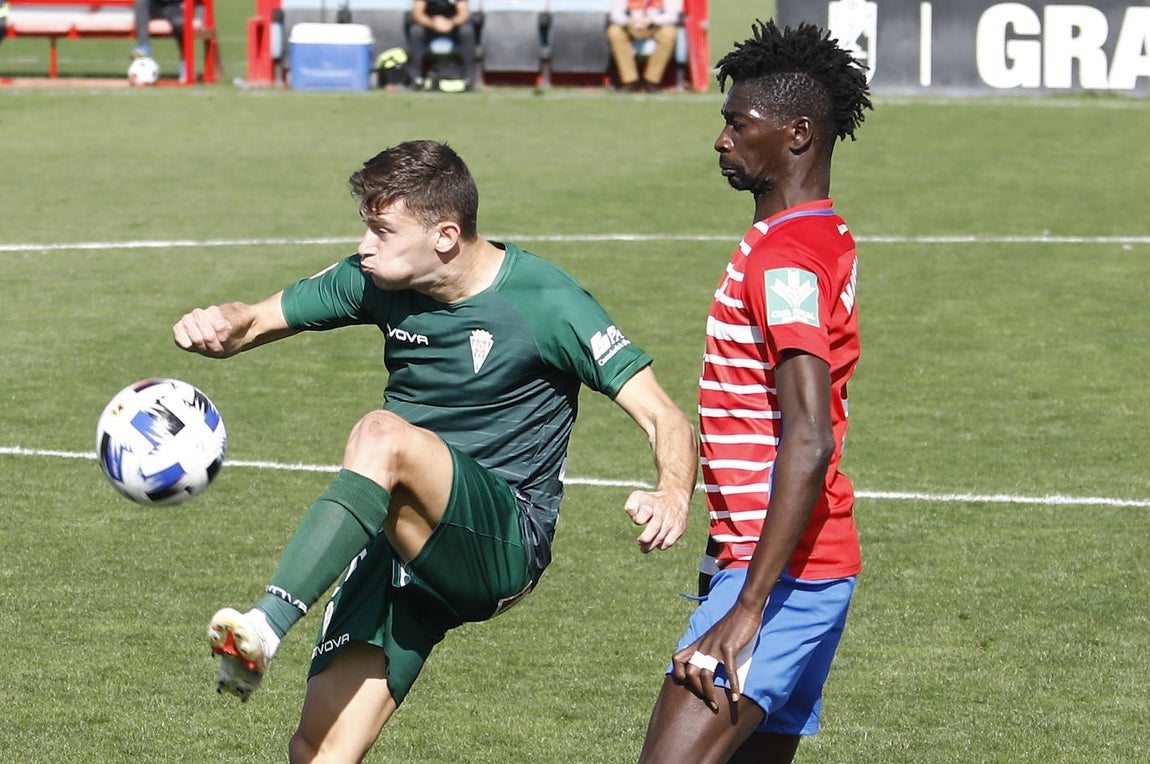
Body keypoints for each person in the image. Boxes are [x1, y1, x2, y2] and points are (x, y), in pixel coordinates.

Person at [172, 140, 697, 762]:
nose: (366, 246)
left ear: (445, 236)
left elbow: (665, 414)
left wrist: (672, 490)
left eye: (383, 231)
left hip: (500, 539)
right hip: (405, 536)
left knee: (381, 434)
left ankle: (262, 626)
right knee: (317, 747)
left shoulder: (547, 302)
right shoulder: (375, 278)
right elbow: (253, 320)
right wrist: (219, 323)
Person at [638, 20, 872, 764]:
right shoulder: (817, 234)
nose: (722, 140)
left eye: (740, 125)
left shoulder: (787, 260)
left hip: (781, 581)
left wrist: (746, 607)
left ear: (798, 133)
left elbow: (808, 434)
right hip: (791, 564)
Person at [606, 0, 681, 92]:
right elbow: (616, 14)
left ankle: (652, 80)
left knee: (669, 33)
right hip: (631, 23)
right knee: (614, 31)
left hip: (657, 25)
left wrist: (652, 20)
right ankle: (630, 80)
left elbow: (673, 16)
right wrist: (629, 21)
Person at [406, 0, 478, 91]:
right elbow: (418, 14)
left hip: (452, 27)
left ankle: (470, 79)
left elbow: (463, 14)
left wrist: (450, 23)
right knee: (416, 31)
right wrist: (434, 24)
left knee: (467, 31)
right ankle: (415, 79)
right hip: (429, 26)